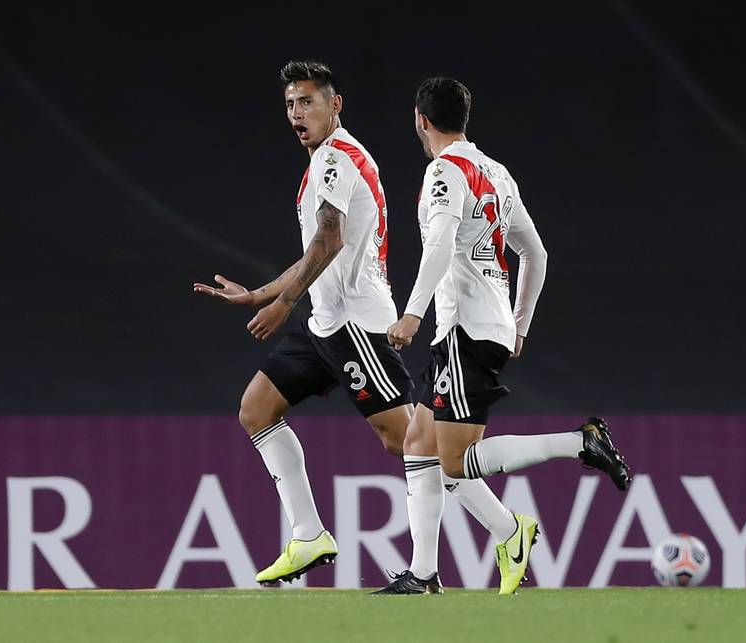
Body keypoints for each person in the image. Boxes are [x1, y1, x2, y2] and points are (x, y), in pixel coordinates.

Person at [193, 62, 521, 592]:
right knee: (256, 409)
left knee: (412, 442)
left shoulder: (337, 159)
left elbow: (329, 240)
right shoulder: (324, 161)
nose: (298, 113)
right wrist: (259, 294)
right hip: (323, 324)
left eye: (308, 102)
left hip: (356, 328)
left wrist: (283, 304)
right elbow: (312, 255)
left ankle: (506, 528)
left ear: (335, 104)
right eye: (290, 105)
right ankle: (308, 534)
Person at [376, 77, 631, 596]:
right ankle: (424, 572)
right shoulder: (498, 174)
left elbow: (441, 244)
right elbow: (535, 254)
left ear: (421, 121)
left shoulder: (445, 171)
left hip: (463, 328)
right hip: (481, 327)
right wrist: (519, 324)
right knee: (417, 443)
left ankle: (577, 445)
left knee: (456, 461)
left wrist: (411, 313)